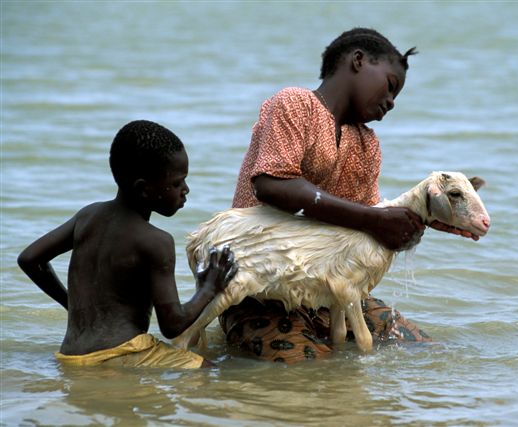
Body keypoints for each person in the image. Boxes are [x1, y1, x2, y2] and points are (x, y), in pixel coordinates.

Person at [221, 28, 476, 364]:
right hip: (258, 288)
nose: (392, 102)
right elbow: (272, 184)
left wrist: (422, 218)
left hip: (328, 292)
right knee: (312, 367)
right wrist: (374, 219)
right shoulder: (295, 104)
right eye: (390, 85)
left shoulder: (367, 144)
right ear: (358, 61)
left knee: (424, 351)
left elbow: (363, 232)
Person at [17, 120, 238, 369]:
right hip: (123, 354)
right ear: (143, 189)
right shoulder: (156, 241)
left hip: (70, 356)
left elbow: (30, 259)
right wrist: (209, 287)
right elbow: (172, 325)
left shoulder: (87, 216)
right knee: (216, 373)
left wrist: (71, 304)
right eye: (177, 183)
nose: (185, 190)